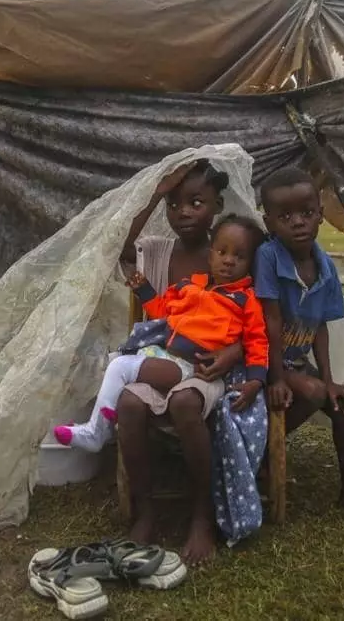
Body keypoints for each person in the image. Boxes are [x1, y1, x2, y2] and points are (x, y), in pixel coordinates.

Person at [114, 158, 250, 566]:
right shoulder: (159, 253)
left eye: (195, 202)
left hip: (208, 367)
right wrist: (156, 193)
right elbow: (119, 244)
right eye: (174, 205)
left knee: (186, 402)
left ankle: (202, 514)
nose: (184, 213)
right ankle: (146, 511)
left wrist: (233, 353)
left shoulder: (228, 253)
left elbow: (254, 316)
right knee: (130, 402)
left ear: (216, 204)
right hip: (162, 359)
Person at [53, 214, 269, 452]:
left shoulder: (246, 300)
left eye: (239, 256)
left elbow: (257, 340)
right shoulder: (190, 286)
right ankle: (101, 423)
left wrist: (256, 380)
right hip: (164, 353)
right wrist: (145, 291)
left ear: (251, 263)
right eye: (222, 252)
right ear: (211, 255)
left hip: (190, 367)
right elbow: (164, 314)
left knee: (120, 367)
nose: (228, 260)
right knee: (111, 362)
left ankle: (97, 432)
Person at [253, 166, 344, 523]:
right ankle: (261, 453)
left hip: (295, 361)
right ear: (269, 223)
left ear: (321, 215)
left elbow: (319, 327)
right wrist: (277, 378)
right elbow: (271, 321)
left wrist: (330, 379)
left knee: (343, 402)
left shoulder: (324, 267)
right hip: (261, 360)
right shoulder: (268, 257)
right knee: (309, 391)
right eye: (286, 216)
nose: (298, 223)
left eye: (307, 213)